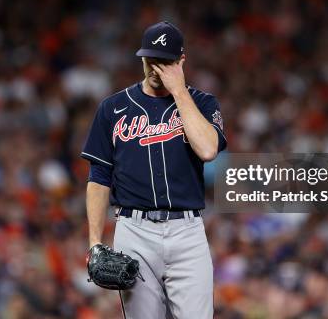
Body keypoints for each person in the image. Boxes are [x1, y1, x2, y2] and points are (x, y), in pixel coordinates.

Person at [81, 21, 227, 318]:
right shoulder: (113, 108)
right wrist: (95, 242)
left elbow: (208, 149)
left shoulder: (202, 102)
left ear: (180, 61)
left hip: (187, 231)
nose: (155, 68)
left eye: (165, 61)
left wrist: (179, 91)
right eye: (150, 59)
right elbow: (98, 178)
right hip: (134, 230)